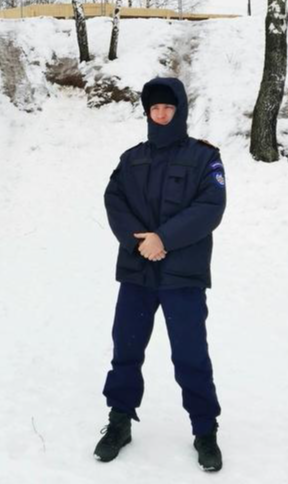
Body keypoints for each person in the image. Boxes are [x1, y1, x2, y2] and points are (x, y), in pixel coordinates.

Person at [93, 77, 227, 472]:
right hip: (138, 272)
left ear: (180, 110)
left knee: (190, 354)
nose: (162, 113)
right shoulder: (131, 158)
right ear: (148, 112)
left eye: (168, 107)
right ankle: (119, 421)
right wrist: (140, 243)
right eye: (155, 108)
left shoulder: (204, 157)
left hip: (182, 274)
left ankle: (205, 431)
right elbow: (113, 200)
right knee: (126, 349)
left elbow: (211, 206)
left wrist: (163, 238)